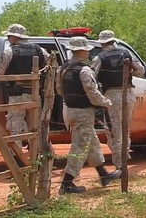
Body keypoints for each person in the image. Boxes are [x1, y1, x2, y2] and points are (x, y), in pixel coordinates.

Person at [56, 36, 119, 194]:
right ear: (83, 51)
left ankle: (103, 174)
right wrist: (106, 102)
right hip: (83, 112)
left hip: (70, 110)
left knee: (92, 143)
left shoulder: (63, 69)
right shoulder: (84, 70)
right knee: (80, 147)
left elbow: (59, 90)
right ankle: (67, 183)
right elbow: (92, 93)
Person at [91, 30, 145, 176]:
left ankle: (120, 166)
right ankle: (124, 160)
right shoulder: (126, 53)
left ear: (102, 43)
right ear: (113, 41)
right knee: (125, 129)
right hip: (128, 94)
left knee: (114, 131)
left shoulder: (99, 57)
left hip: (111, 96)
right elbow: (141, 71)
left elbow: (91, 77)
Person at [0, 24, 49, 148]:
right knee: (36, 129)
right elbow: (51, 65)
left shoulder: (9, 51)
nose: (8, 38)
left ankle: (19, 160)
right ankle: (38, 157)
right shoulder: (40, 50)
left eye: (9, 36)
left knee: (15, 129)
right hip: (35, 94)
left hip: (17, 95)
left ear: (14, 36)